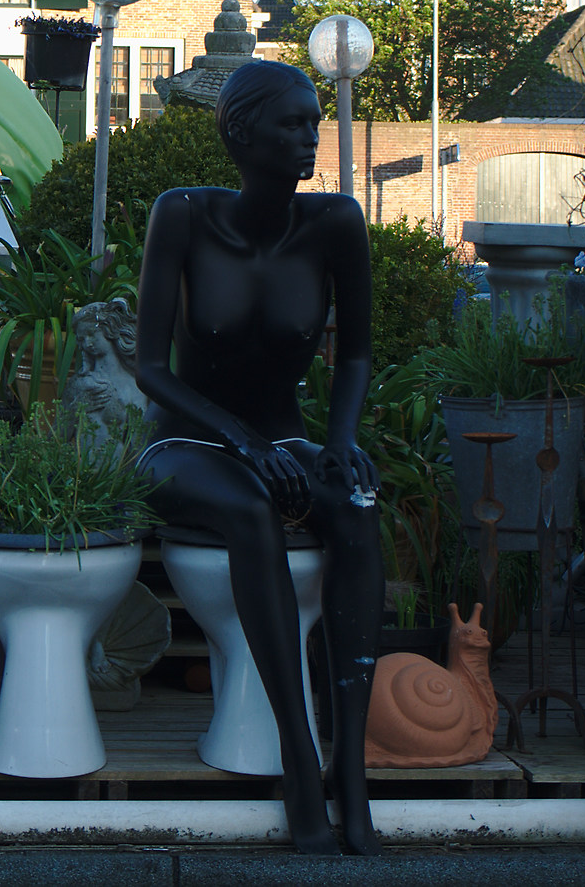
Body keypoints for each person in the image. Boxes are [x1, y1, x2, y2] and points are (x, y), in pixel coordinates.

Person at [135, 59, 383, 856]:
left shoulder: (335, 223)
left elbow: (356, 357)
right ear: (243, 135)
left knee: (355, 504)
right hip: (185, 447)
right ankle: (301, 760)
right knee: (250, 508)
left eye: (315, 121)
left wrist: (341, 443)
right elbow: (150, 369)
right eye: (292, 124)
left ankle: (353, 766)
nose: (311, 137)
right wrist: (241, 440)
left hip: (287, 440)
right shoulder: (183, 217)